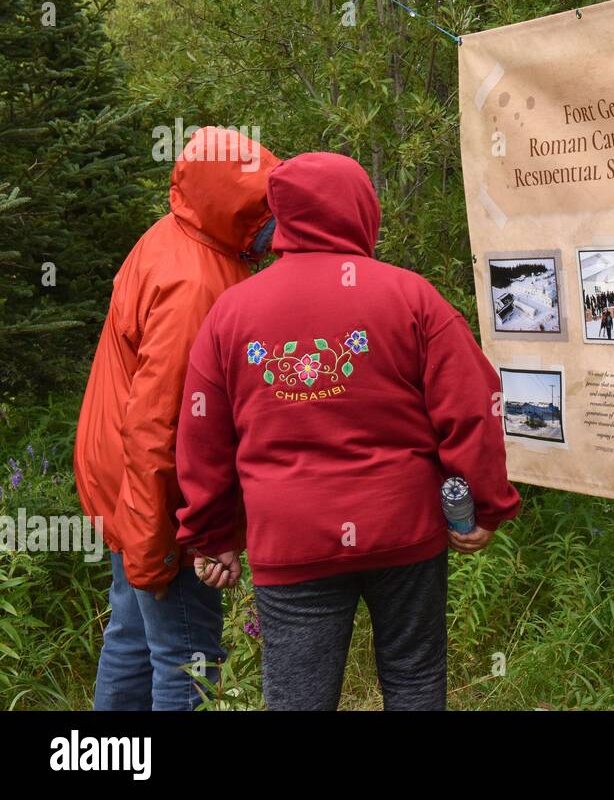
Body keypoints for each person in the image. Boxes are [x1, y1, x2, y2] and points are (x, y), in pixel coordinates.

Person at [175, 151, 520, 711]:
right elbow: (474, 406)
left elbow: (202, 434)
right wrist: (483, 505)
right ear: (362, 210)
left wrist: (213, 537)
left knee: (298, 697)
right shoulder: (411, 297)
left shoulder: (231, 313)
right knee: (413, 679)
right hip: (403, 530)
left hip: (292, 539)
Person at [74, 127, 281, 711]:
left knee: (134, 638)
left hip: (124, 481)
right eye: (265, 207)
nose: (277, 225)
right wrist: (175, 543)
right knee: (188, 661)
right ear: (237, 207)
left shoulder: (178, 236)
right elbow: (160, 429)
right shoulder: (197, 285)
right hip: (160, 497)